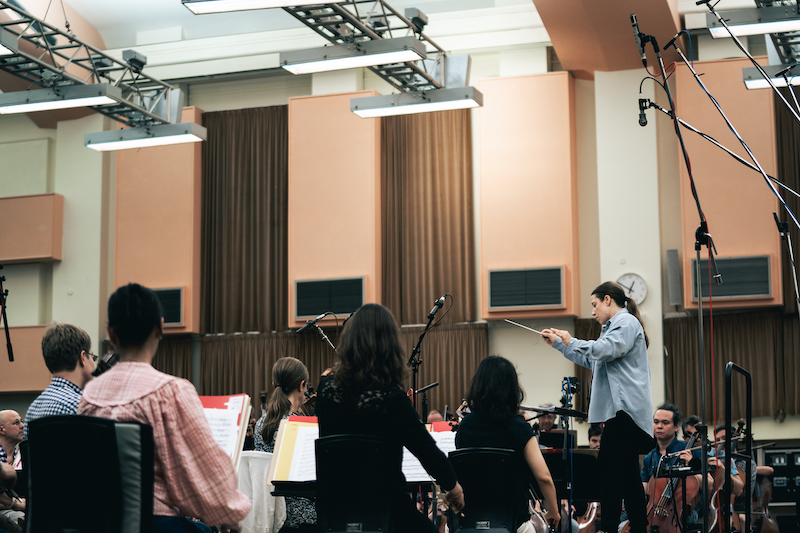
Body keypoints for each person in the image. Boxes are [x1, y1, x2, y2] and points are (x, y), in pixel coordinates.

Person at [78, 283, 250, 533]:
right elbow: (207, 477)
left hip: (99, 524)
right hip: (156, 524)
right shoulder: (170, 391)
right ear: (160, 327)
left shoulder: (89, 395)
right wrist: (230, 517)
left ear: (110, 332)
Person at [315, 303, 464, 533]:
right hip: (386, 512)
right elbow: (427, 451)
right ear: (389, 346)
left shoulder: (325, 391)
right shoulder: (391, 399)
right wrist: (454, 489)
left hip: (338, 512)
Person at [542, 281, 654, 533]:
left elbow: (605, 350)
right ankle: (638, 527)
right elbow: (592, 359)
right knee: (627, 476)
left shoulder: (625, 323)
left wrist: (572, 340)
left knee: (609, 473)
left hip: (625, 412)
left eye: (594, 305)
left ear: (607, 299)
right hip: (620, 414)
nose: (593, 312)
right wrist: (560, 344)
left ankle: (611, 528)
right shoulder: (612, 330)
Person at [456, 356, 560, 533]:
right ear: (512, 389)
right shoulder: (519, 428)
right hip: (513, 523)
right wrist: (553, 511)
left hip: (473, 522)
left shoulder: (465, 426)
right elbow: (544, 477)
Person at [253, 357, 316, 533]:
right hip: (302, 517)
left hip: (270, 513)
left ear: (274, 383)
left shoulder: (260, 423)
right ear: (302, 385)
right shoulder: (300, 426)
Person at [24, 324, 96, 439]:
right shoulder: (82, 406)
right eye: (93, 356)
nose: (93, 362)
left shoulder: (33, 409)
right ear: (83, 357)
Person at [0, 411, 24, 530]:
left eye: (21, 421)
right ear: (1, 430)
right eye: (16, 423)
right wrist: (16, 504)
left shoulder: (23, 455)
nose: (22, 425)